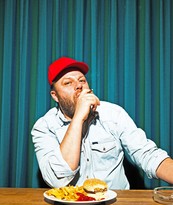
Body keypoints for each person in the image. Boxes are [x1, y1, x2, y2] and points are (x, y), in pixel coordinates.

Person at [31, 57, 173, 189]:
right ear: (55, 96)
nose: (78, 86)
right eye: (68, 83)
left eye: (82, 80)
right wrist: (78, 117)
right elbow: (57, 179)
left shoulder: (113, 114)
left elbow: (147, 155)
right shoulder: (44, 127)